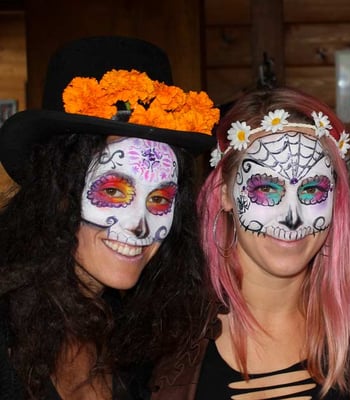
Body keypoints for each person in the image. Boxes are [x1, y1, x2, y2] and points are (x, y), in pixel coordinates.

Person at [0, 36, 219, 399]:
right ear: (58, 192)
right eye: (114, 191)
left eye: (161, 198)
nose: (140, 225)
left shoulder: (137, 336)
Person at [150, 87, 350, 399]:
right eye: (265, 189)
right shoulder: (165, 326)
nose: (293, 218)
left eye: (313, 190)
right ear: (224, 194)